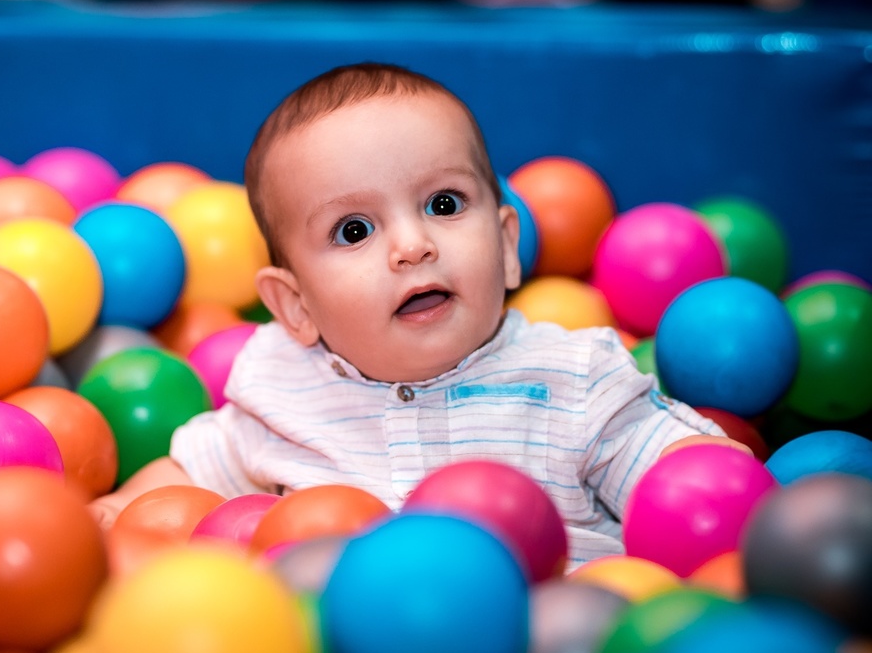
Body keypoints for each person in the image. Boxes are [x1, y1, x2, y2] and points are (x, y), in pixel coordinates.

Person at [89, 61, 745, 567]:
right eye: (354, 230)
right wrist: (120, 508)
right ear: (296, 306)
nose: (412, 245)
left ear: (507, 248)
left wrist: (722, 491)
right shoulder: (283, 388)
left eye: (443, 204)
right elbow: (192, 471)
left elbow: (682, 472)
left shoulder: (574, 379)